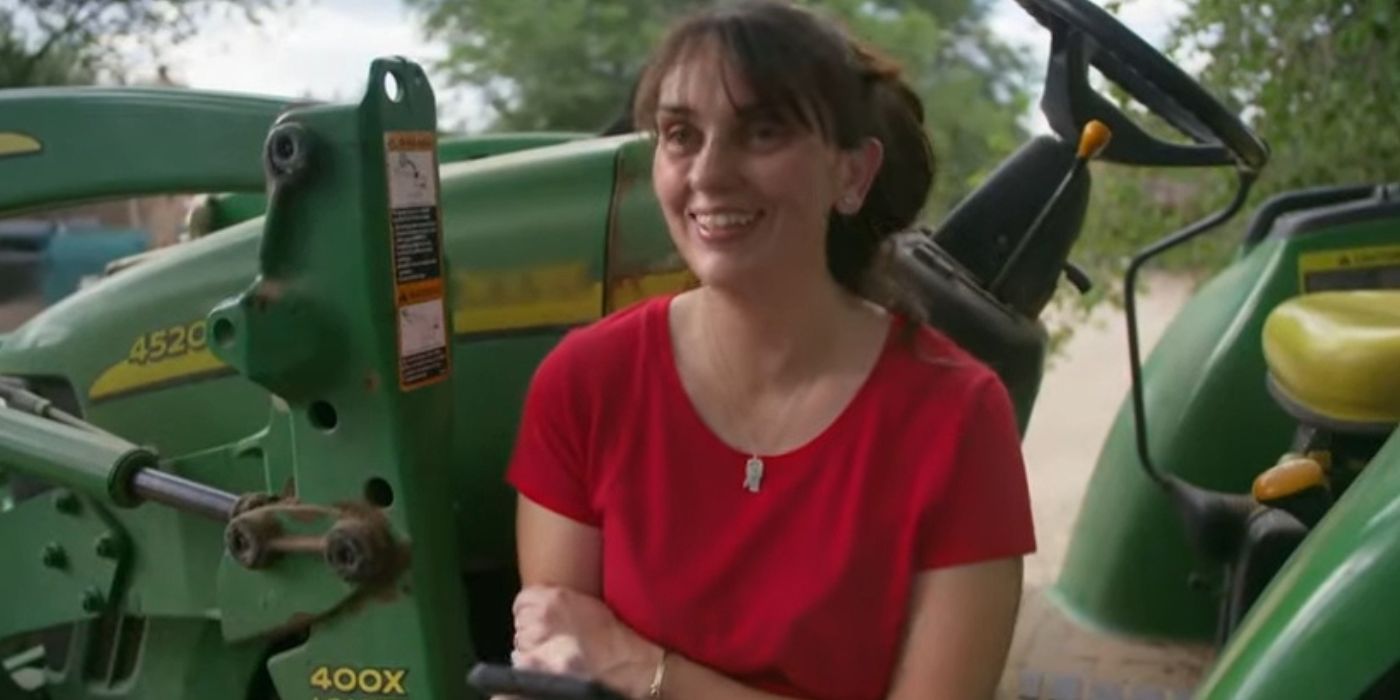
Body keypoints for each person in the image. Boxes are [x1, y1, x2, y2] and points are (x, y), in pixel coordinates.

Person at [504, 2, 1035, 698]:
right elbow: (559, 671)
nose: (710, 173)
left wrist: (641, 669)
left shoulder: (958, 416)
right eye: (680, 135)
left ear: (852, 174)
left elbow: (600, 662)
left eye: (763, 132)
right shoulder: (585, 383)